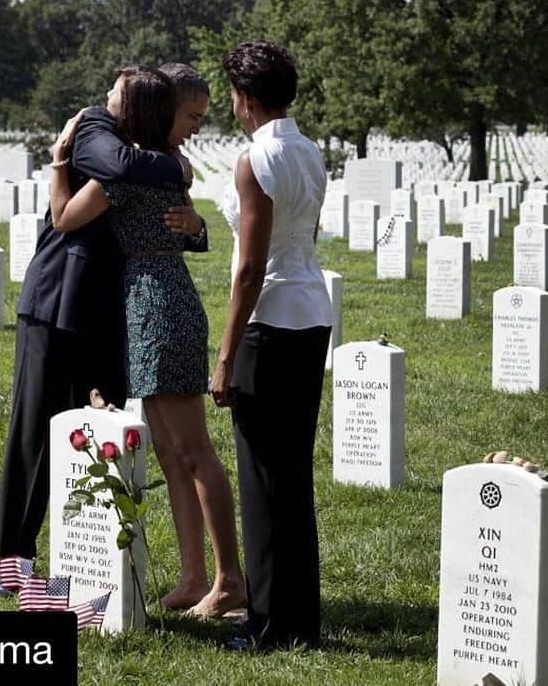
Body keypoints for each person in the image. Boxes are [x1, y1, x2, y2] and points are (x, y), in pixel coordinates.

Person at [0, 69, 207, 598]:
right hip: (58, 298)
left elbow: (169, 225)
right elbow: (113, 169)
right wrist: (169, 164)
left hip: (117, 309)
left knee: (102, 433)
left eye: (116, 92)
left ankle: (89, 562)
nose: (105, 97)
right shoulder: (91, 127)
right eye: (190, 117)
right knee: (34, 434)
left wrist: (193, 220)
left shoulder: (147, 152)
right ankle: (14, 561)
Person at [50, 65, 246, 619]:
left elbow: (63, 217)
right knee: (168, 450)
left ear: (132, 112)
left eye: (115, 100)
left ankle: (229, 579)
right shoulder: (167, 166)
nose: (105, 108)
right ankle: (192, 577)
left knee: (193, 450)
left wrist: (60, 161)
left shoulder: (125, 174)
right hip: (154, 299)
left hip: (157, 304)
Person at [210, 40, 332, 649]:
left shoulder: (253, 159)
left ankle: (265, 624)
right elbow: (305, 236)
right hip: (312, 314)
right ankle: (299, 621)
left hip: (269, 320)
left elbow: (250, 267)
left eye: (233, 95)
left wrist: (227, 354)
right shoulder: (312, 153)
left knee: (261, 480)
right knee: (293, 474)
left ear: (248, 99)